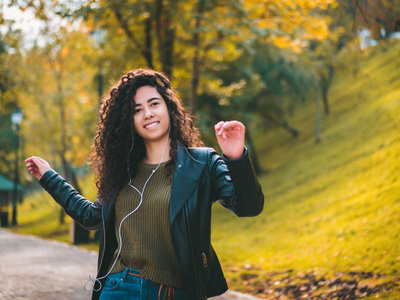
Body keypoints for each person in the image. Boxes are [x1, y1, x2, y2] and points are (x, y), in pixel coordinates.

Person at [25, 69, 264, 300]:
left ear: (169, 108)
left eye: (154, 104)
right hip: (117, 288)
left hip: (174, 293)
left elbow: (249, 207)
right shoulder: (122, 172)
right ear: (129, 121)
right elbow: (91, 217)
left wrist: (236, 158)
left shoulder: (202, 163)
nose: (147, 113)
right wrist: (49, 177)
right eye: (137, 110)